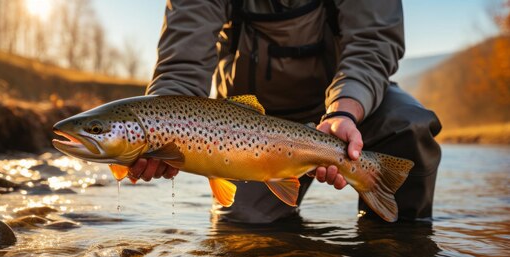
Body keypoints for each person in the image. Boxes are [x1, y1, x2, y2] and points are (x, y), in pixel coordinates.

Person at [128, 0, 442, 223]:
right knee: (243, 230)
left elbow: (373, 46)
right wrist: (158, 129)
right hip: (243, 133)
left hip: (344, 109)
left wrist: (343, 113)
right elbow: (183, 65)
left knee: (408, 127)